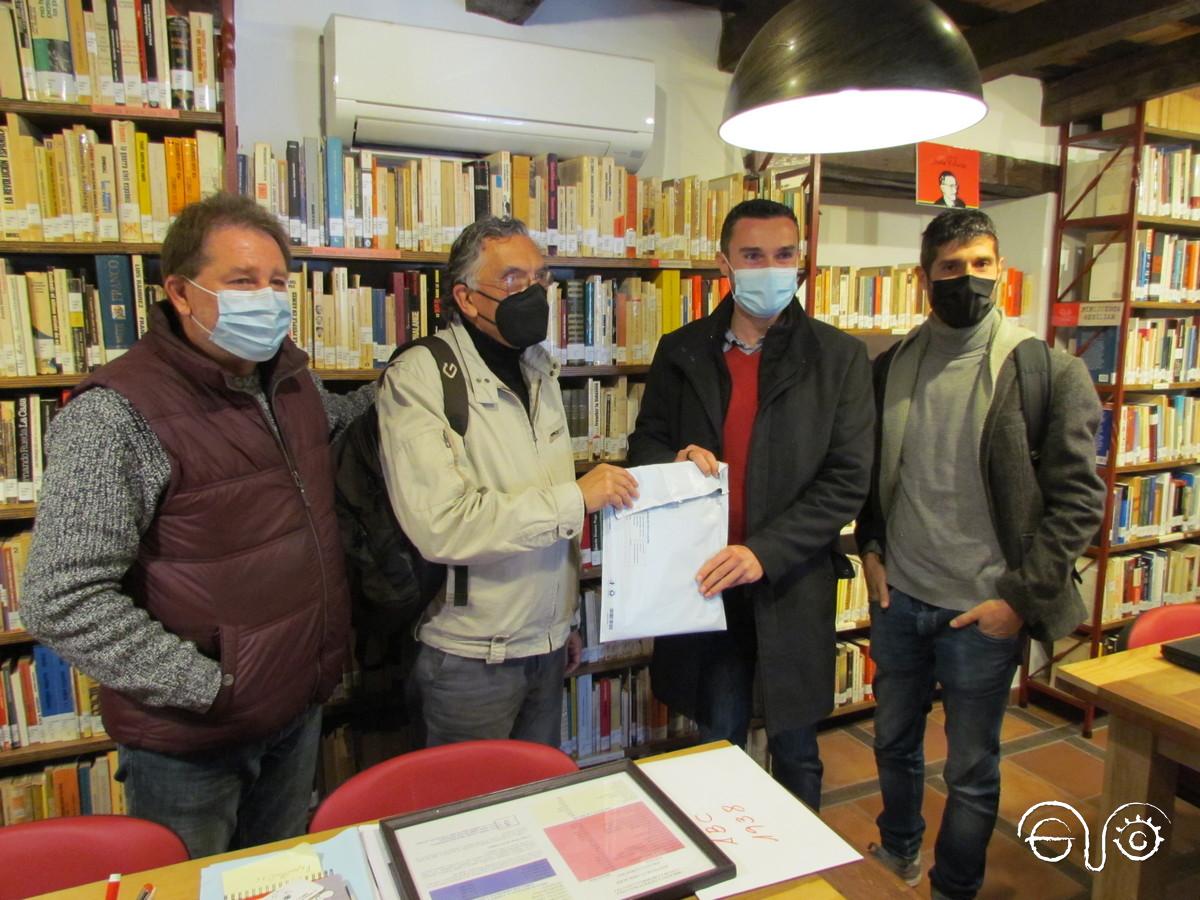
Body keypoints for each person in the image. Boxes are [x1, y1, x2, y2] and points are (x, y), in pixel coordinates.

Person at [21, 193, 374, 858]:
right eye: (242, 282)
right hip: (194, 742)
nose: (265, 300)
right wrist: (205, 686)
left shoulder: (290, 381)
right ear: (180, 293)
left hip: (295, 709)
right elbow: (60, 598)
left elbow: (328, 425)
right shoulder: (117, 415)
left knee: (274, 875)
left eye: (276, 283)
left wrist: (405, 382)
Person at [856, 209, 1104, 899]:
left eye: (982, 265)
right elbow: (873, 475)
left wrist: (1018, 600)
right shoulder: (890, 366)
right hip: (899, 597)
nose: (968, 280)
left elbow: (1079, 503)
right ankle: (898, 847)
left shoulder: (1048, 371)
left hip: (984, 610)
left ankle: (954, 887)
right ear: (924, 277)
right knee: (893, 742)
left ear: (1000, 270)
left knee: (970, 768)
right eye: (951, 268)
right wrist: (870, 548)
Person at [627, 198, 874, 810]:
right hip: (708, 585)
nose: (770, 268)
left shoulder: (837, 358)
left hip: (788, 583)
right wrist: (674, 460)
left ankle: (798, 875)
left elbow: (847, 480)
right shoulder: (681, 351)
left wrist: (764, 552)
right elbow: (645, 444)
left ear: (801, 262)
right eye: (753, 255)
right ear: (725, 265)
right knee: (717, 741)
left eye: (784, 255)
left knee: (796, 749)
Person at [378, 215, 638, 748]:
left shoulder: (539, 367)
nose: (536, 293)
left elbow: (536, 493)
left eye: (541, 278)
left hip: (543, 647)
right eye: (515, 280)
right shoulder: (420, 377)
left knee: (532, 809)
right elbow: (443, 526)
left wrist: (560, 625)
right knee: (469, 821)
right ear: (467, 298)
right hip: (470, 657)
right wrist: (576, 499)